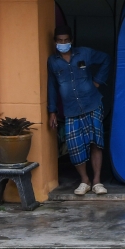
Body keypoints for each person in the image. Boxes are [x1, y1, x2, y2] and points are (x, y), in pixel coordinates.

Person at [47, 25, 110, 196]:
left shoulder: (85, 53)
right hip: (71, 110)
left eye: (66, 40)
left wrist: (97, 81)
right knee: (75, 147)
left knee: (96, 142)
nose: (63, 43)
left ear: (71, 41)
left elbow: (106, 59)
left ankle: (97, 181)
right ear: (55, 42)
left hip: (92, 103)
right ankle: (85, 180)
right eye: (60, 41)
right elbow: (52, 86)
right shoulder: (53, 62)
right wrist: (52, 110)